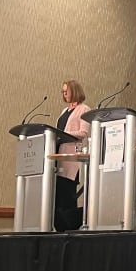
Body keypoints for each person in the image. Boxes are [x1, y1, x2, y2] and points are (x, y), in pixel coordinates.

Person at [54, 80, 91, 232]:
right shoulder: (64, 111)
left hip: (71, 158)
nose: (64, 94)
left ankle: (70, 228)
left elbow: (84, 132)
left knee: (67, 193)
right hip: (58, 156)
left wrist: (63, 134)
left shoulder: (84, 109)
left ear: (75, 91)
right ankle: (60, 227)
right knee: (58, 195)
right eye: (62, 91)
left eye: (66, 91)